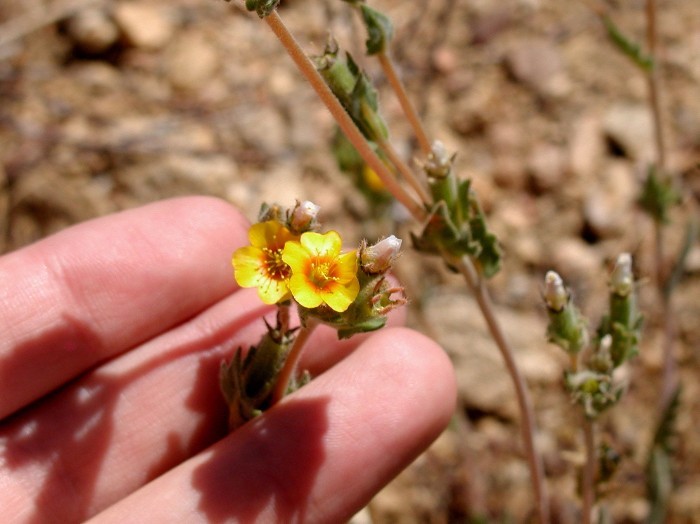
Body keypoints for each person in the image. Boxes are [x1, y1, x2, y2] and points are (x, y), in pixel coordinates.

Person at [0, 197, 456, 523]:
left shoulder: (322, 275)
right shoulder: (288, 264)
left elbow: (316, 282)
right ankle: (250, 404)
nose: (303, 267)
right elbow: (287, 264)